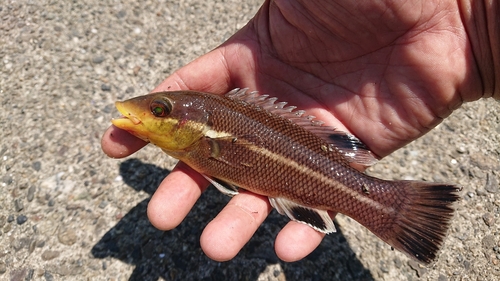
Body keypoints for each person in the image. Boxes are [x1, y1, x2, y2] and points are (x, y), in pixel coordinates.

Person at [101, 0, 499, 262]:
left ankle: (389, 207)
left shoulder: (207, 136)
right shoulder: (200, 139)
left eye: (160, 110)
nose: (147, 113)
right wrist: (474, 26)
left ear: (195, 126)